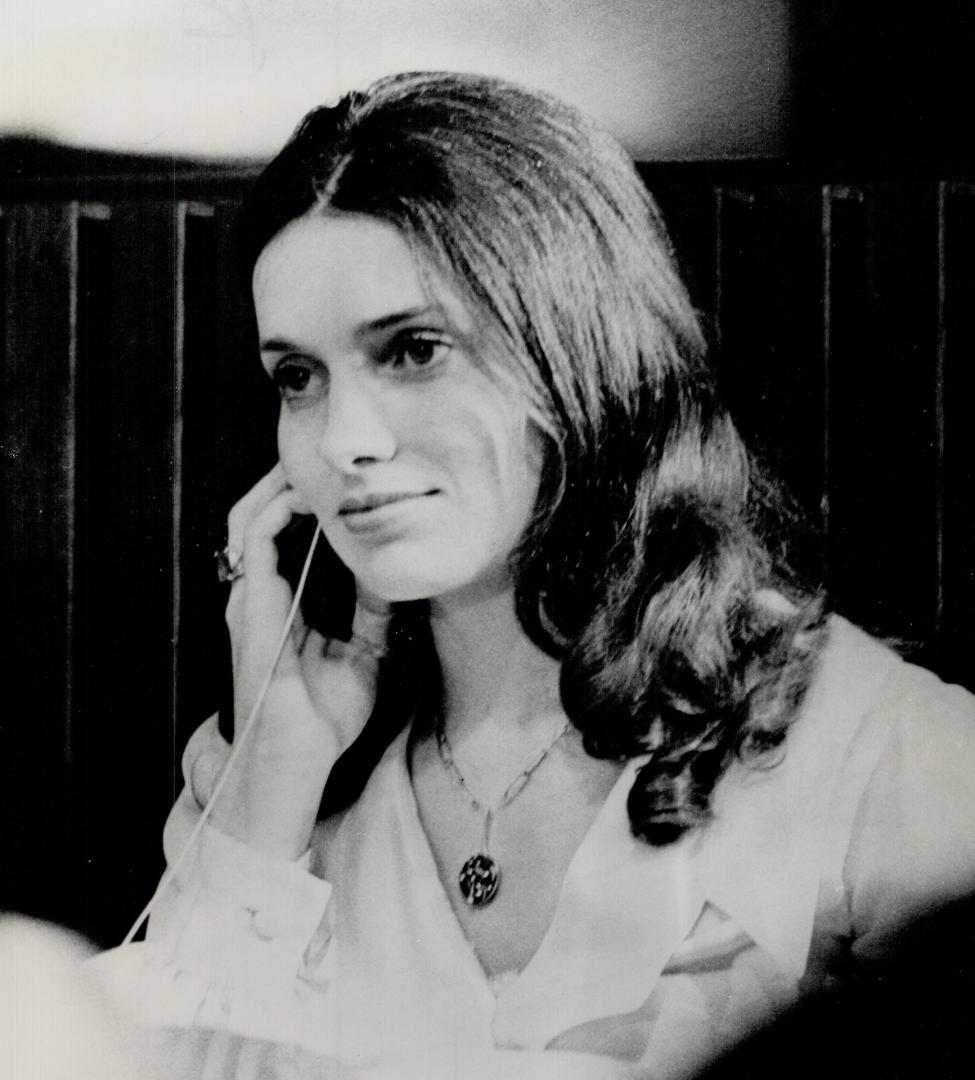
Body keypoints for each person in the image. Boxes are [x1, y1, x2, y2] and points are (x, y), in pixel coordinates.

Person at [91, 71, 975, 1078]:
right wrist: (273, 787)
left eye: (414, 351)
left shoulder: (865, 742)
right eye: (299, 377)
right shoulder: (279, 791)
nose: (345, 441)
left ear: (576, 351)